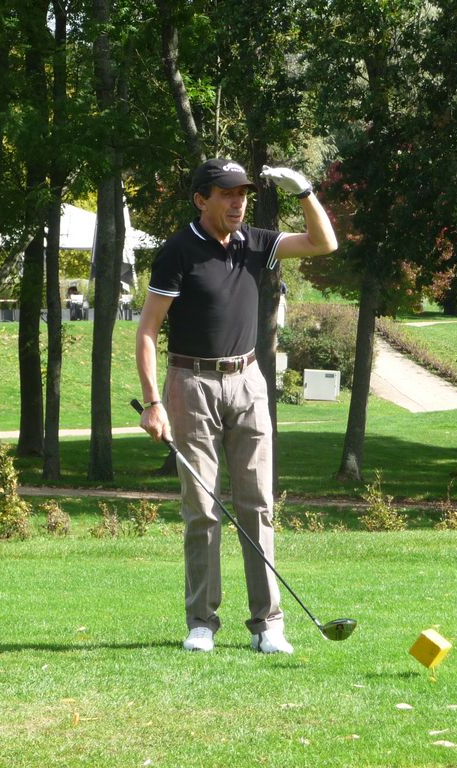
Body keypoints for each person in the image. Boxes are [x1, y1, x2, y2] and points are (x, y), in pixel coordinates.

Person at [135, 158, 337, 654]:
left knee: (257, 504)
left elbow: (323, 243)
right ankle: (201, 622)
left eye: (243, 193)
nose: (238, 202)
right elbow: (147, 330)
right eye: (226, 193)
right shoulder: (178, 251)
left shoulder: (256, 244)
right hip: (191, 383)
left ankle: (268, 625)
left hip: (248, 381)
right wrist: (154, 402)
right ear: (201, 199)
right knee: (202, 507)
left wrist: (305, 192)